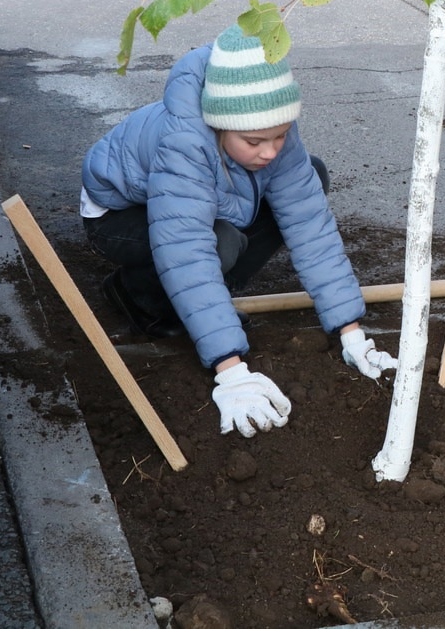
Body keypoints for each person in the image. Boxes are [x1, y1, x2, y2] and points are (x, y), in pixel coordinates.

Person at [80, 25, 398, 437]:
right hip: (119, 217)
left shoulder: (270, 131)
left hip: (210, 197)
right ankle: (138, 297)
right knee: (218, 245)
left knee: (310, 177)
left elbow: (310, 227)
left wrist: (352, 333)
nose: (270, 151)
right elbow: (187, 251)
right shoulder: (185, 145)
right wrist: (230, 370)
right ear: (220, 126)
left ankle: (208, 304)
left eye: (280, 136)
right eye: (254, 141)